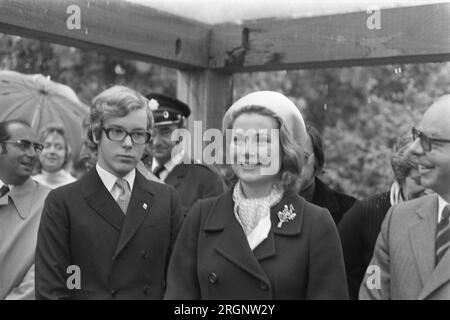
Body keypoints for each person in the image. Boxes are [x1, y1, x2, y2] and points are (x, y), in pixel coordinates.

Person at [165, 91, 348, 300]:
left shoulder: (315, 222)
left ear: (285, 150)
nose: (247, 151)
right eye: (238, 140)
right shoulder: (202, 215)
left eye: (261, 141)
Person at [35, 85, 183, 299]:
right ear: (96, 134)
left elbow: (179, 281)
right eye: (117, 131)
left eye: (138, 134)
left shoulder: (166, 199)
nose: (127, 143)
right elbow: (52, 289)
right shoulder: (63, 202)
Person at [360, 95, 450, 300]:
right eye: (417, 136)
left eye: (429, 142)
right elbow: (371, 293)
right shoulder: (397, 219)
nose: (414, 149)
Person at [339, 134, 428, 299]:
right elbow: (335, 276)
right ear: (400, 177)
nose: (428, 188)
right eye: (419, 180)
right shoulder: (364, 214)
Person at [146, 93, 226, 216]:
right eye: (150, 132)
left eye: (165, 132)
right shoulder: (135, 171)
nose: (156, 142)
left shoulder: (206, 180)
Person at [0, 119, 50, 299]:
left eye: (37, 147)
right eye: (23, 145)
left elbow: (41, 278)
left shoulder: (52, 204)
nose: (33, 154)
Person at [299, 125, 356, 224]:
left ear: (317, 161)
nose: (293, 165)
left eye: (303, 157)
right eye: (288, 156)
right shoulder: (266, 204)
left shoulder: (349, 211)